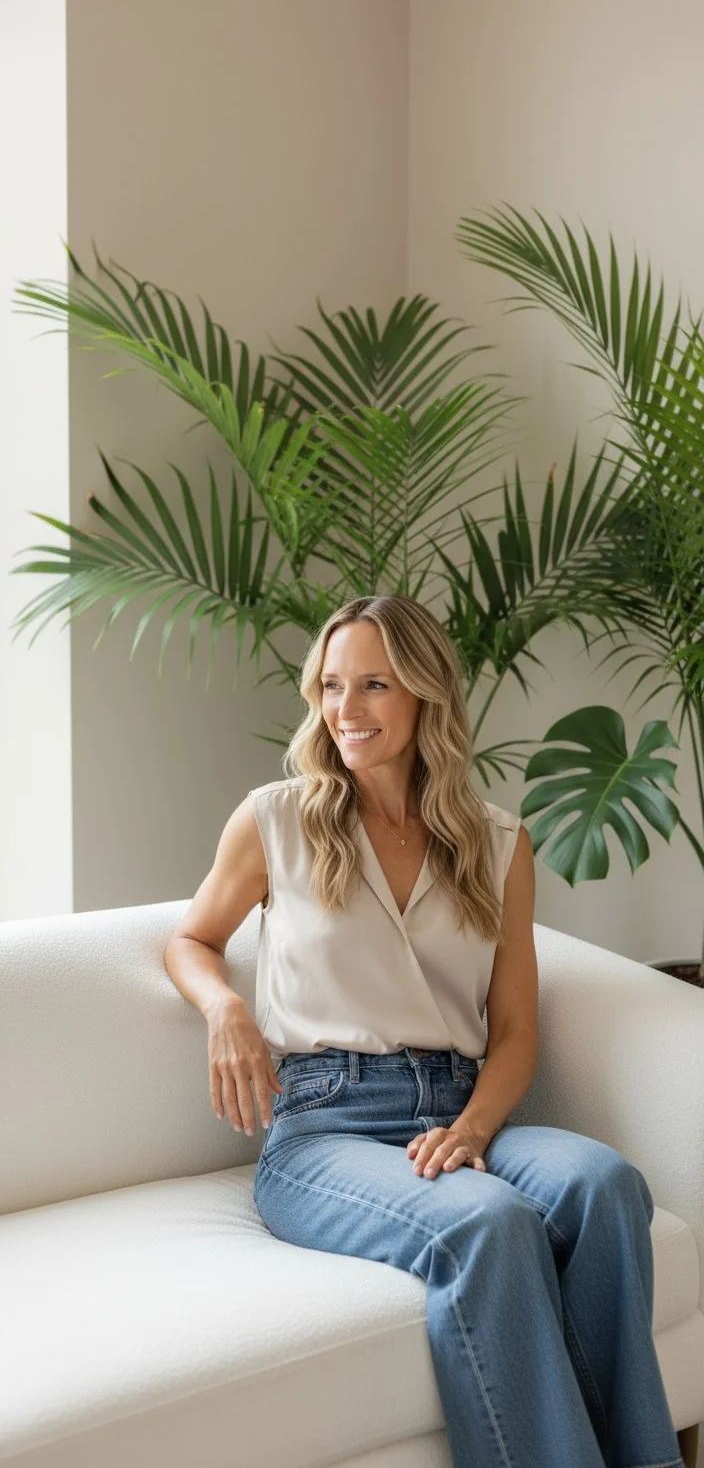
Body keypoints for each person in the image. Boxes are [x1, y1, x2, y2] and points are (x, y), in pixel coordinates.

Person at [164, 594, 684, 1468]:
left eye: (373, 684)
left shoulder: (497, 842)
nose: (346, 710)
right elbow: (190, 939)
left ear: (425, 694)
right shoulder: (276, 819)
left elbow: (516, 1027)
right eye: (331, 686)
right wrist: (225, 1009)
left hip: (456, 1112)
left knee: (603, 1183)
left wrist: (475, 1127)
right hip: (325, 1128)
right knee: (487, 1223)